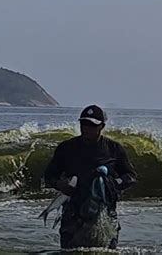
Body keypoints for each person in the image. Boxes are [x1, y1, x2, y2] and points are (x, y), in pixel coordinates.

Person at [44, 104, 136, 249]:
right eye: (84, 123)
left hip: (104, 214)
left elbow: (130, 176)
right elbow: (49, 175)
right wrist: (59, 184)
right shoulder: (66, 148)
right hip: (73, 214)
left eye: (92, 125)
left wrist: (113, 184)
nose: (86, 128)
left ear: (102, 126)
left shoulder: (114, 149)